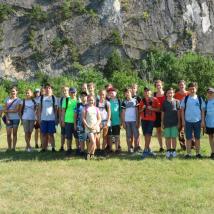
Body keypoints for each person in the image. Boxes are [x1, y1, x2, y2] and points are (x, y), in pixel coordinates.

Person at [181, 82, 205, 158]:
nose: (192, 90)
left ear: (196, 89)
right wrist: (183, 121)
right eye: (190, 89)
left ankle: (198, 153)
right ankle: (188, 154)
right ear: (188, 89)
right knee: (188, 138)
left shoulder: (200, 98)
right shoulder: (185, 98)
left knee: (197, 138)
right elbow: (182, 110)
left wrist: (203, 121)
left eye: (193, 89)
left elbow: (202, 110)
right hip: (188, 121)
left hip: (198, 121)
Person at [139, 87, 160, 159]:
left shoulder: (155, 99)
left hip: (151, 119)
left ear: (151, 92)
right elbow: (139, 111)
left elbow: (159, 109)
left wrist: (152, 108)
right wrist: (143, 108)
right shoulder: (142, 100)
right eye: (145, 92)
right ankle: (149, 149)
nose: (147, 93)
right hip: (144, 119)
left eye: (148, 91)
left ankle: (145, 150)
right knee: (146, 135)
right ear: (144, 93)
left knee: (148, 134)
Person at [38, 84, 58, 152]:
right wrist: (39, 118)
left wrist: (55, 118)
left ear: (51, 89)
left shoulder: (54, 98)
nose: (48, 89)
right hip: (43, 119)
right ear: (44, 89)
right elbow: (39, 109)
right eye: (46, 88)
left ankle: (53, 148)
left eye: (49, 88)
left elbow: (55, 110)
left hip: (51, 119)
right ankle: (44, 148)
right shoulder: (41, 98)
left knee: (51, 134)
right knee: (43, 134)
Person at [161, 88, 180, 158]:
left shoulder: (177, 101)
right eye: (169, 93)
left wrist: (179, 122)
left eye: (171, 93)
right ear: (166, 94)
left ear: (173, 93)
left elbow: (178, 113)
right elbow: (162, 113)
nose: (170, 94)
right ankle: (168, 150)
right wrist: (162, 122)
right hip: (166, 123)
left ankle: (174, 150)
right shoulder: (164, 102)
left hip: (175, 123)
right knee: (167, 137)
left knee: (174, 137)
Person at [82, 95, 101, 160]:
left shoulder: (96, 109)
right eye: (90, 100)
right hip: (88, 128)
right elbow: (83, 118)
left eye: (92, 100)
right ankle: (88, 154)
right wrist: (87, 126)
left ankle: (92, 154)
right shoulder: (85, 109)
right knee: (92, 141)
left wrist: (95, 125)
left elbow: (99, 119)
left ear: (94, 101)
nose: (91, 101)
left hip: (95, 127)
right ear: (87, 101)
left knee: (94, 142)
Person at [3, 86, 22, 151]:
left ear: (17, 92)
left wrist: (7, 111)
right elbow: (4, 109)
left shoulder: (19, 100)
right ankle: (9, 147)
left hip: (16, 118)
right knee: (8, 134)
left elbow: (16, 110)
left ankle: (14, 148)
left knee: (14, 133)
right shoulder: (7, 99)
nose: (12, 92)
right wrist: (7, 118)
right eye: (11, 91)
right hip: (8, 118)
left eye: (14, 91)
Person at [121, 88, 140, 153]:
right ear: (125, 94)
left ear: (131, 93)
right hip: (127, 121)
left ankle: (136, 148)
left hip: (134, 121)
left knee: (136, 135)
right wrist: (123, 122)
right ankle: (129, 148)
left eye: (128, 92)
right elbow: (123, 113)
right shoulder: (124, 102)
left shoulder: (135, 101)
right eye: (126, 93)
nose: (127, 94)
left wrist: (138, 121)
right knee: (128, 136)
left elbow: (137, 111)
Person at [61, 87, 78, 156]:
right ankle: (69, 149)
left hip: (76, 121)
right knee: (68, 136)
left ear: (76, 93)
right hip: (67, 121)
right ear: (69, 93)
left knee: (77, 136)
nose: (73, 94)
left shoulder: (78, 100)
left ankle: (78, 149)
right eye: (71, 92)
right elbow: (63, 111)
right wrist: (62, 120)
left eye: (74, 92)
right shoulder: (66, 100)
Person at [174, 80, 189, 150]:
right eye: (180, 85)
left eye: (182, 84)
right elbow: (175, 106)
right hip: (179, 114)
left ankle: (192, 146)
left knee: (190, 130)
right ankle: (183, 147)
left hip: (188, 114)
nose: (181, 86)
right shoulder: (176, 95)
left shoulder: (188, 93)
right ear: (178, 86)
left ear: (185, 85)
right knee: (180, 131)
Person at [74, 91, 88, 156]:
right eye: (82, 96)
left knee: (88, 138)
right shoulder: (78, 105)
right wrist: (75, 124)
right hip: (80, 125)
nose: (83, 97)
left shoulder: (89, 105)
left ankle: (88, 151)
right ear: (80, 97)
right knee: (81, 139)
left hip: (88, 125)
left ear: (87, 97)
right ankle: (82, 151)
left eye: (84, 96)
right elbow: (75, 115)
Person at [108, 88, 121, 153]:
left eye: (112, 93)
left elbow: (121, 111)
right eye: (110, 93)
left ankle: (117, 148)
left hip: (117, 121)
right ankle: (110, 149)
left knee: (116, 136)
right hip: (110, 122)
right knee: (110, 136)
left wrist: (121, 120)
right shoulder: (107, 101)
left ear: (115, 93)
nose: (111, 94)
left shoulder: (118, 101)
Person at [154, 80, 165, 152]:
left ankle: (168, 147)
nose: (158, 86)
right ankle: (161, 146)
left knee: (166, 130)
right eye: (157, 85)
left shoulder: (166, 93)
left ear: (162, 85)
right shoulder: (154, 94)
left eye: (159, 85)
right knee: (158, 130)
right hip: (157, 114)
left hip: (166, 113)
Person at [58, 86, 70, 152]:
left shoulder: (71, 98)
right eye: (63, 90)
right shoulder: (61, 99)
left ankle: (70, 147)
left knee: (70, 134)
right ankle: (62, 146)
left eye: (66, 90)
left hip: (70, 119)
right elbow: (60, 111)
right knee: (63, 133)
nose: (64, 92)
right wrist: (60, 119)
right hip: (63, 119)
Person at [205, 87, 214, 159]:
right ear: (207, 94)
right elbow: (204, 113)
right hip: (208, 123)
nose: (210, 94)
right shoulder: (206, 102)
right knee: (210, 137)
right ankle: (212, 152)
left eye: (212, 92)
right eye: (209, 92)